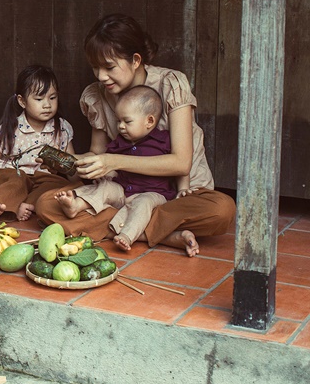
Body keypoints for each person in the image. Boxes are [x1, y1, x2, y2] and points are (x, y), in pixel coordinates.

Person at [36, 13, 235, 257]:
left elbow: (181, 162)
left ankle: (124, 226)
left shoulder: (170, 84)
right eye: (95, 68)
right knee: (47, 204)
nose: (100, 76)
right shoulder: (96, 95)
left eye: (109, 67)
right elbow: (98, 155)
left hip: (177, 195)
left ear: (135, 60)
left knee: (222, 209)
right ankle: (160, 234)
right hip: (123, 193)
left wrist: (114, 160)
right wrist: (66, 163)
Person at [54, 86, 187, 251]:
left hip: (153, 195)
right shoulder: (119, 143)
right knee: (105, 187)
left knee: (143, 203)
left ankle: (127, 235)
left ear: (149, 121)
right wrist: (101, 173)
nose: (121, 126)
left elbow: (180, 167)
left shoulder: (163, 141)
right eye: (118, 121)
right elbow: (108, 165)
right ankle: (77, 204)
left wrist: (184, 188)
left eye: (127, 121)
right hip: (123, 191)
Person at [0, 65, 75, 226]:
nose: (47, 105)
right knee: (14, 183)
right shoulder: (10, 128)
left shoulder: (61, 128)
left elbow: (71, 165)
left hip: (42, 178)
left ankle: (29, 204)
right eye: (39, 99)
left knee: (59, 184)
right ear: (22, 101)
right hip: (13, 172)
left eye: (52, 98)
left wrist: (78, 181)